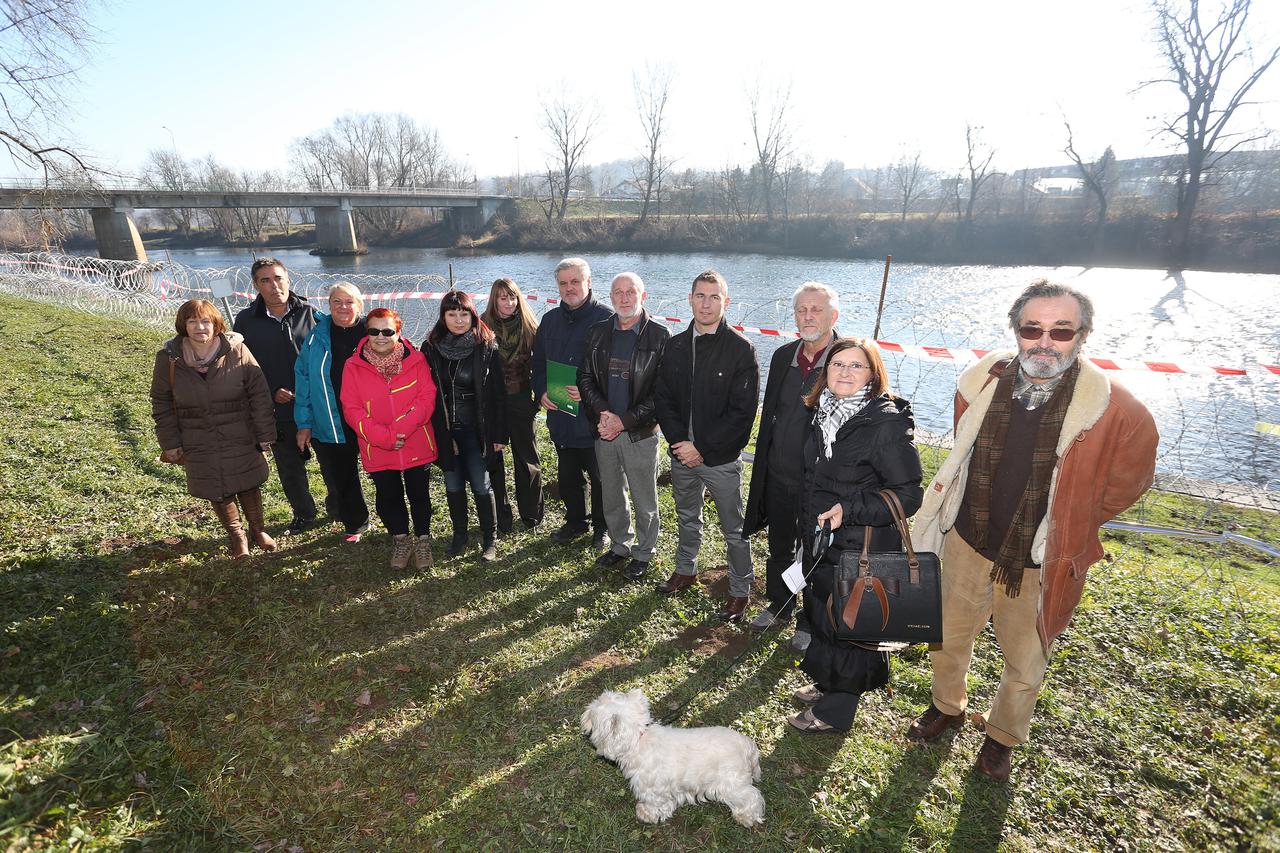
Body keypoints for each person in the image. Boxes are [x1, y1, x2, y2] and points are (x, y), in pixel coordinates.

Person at [907, 279, 1158, 782]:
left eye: (1061, 331)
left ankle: (1001, 739)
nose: (1045, 341)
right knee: (948, 637)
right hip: (968, 540)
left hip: (1040, 560)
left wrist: (1071, 523)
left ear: (1083, 334)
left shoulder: (1118, 410)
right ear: (1016, 331)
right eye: (1032, 328)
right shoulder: (979, 383)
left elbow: (1129, 482)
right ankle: (947, 706)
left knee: (1026, 659)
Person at [786, 337, 924, 734]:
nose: (845, 373)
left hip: (861, 544)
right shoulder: (824, 413)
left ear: (873, 373)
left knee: (850, 625)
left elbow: (908, 493)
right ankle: (826, 684)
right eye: (837, 364)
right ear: (824, 371)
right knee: (822, 613)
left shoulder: (884, 423)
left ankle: (836, 711)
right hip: (822, 539)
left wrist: (851, 509)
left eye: (856, 366)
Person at [653, 270, 759, 622]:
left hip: (721, 460)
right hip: (682, 455)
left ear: (725, 302)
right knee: (687, 516)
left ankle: (740, 589)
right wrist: (680, 443)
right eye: (701, 296)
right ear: (690, 299)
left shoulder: (741, 351)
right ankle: (686, 570)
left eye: (715, 297)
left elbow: (742, 415)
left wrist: (703, 449)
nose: (707, 303)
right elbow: (663, 398)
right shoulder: (675, 346)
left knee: (734, 528)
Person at [743, 282, 841, 650]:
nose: (808, 316)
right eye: (802, 310)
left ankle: (810, 620)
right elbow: (772, 414)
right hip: (779, 472)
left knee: (816, 551)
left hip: (821, 481)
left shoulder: (847, 358)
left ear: (834, 316)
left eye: (816, 310)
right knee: (781, 544)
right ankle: (781, 604)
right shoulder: (784, 355)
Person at [150, 299, 277, 559]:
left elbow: (259, 394)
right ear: (183, 325)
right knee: (216, 487)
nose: (200, 327)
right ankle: (237, 537)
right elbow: (161, 401)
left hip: (240, 432)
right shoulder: (169, 359)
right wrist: (170, 442)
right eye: (192, 321)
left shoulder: (237, 350)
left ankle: (258, 530)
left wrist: (265, 434)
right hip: (196, 436)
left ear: (216, 324)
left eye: (206, 321)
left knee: (248, 481)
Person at [578, 272, 671, 581]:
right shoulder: (597, 332)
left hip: (639, 433)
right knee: (612, 494)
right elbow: (585, 377)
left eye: (631, 291)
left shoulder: (660, 336)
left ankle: (645, 552)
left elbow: (663, 393)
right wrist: (604, 413)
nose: (624, 297)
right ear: (611, 296)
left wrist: (624, 420)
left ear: (642, 296)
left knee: (645, 498)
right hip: (604, 430)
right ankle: (621, 545)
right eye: (618, 292)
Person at [340, 308, 441, 571]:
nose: (381, 337)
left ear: (399, 332)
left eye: (388, 331)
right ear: (367, 334)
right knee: (388, 495)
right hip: (377, 446)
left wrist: (401, 430)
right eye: (374, 331)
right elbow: (351, 407)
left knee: (419, 494)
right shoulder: (353, 366)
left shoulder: (417, 360)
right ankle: (400, 539)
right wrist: (383, 437)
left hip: (415, 441)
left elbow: (426, 398)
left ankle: (422, 539)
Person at [233, 257, 320, 536]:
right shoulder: (246, 320)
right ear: (256, 285)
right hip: (278, 408)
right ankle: (304, 513)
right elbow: (243, 366)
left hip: (315, 405)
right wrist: (271, 391)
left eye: (278, 278)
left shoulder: (310, 313)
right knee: (290, 466)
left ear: (288, 279)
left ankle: (339, 507)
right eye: (265, 280)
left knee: (332, 462)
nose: (274, 286)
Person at [531, 257, 614, 551]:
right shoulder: (550, 320)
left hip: (592, 418)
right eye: (563, 283)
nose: (569, 288)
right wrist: (540, 390)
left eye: (575, 282)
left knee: (600, 475)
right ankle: (576, 520)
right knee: (568, 474)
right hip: (561, 415)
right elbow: (538, 363)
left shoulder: (607, 319)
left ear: (588, 282)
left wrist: (590, 392)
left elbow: (616, 371)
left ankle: (602, 527)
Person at [423, 289, 506, 562]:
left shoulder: (486, 347)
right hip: (446, 430)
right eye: (451, 314)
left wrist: (498, 435)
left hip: (477, 430)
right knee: (453, 484)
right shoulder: (431, 348)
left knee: (482, 485)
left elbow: (497, 395)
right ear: (443, 317)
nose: (458, 320)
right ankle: (460, 535)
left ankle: (489, 539)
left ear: (473, 315)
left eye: (464, 314)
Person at [294, 282, 371, 543]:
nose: (343, 307)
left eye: (349, 301)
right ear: (329, 306)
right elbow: (303, 378)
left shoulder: (372, 331)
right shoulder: (317, 336)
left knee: (384, 472)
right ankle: (356, 522)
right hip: (332, 416)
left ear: (359, 305)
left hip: (371, 416)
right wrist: (304, 422)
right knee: (343, 473)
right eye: (336, 301)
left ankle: (398, 524)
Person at [480, 277, 544, 531]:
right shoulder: (482, 327)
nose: (508, 302)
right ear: (494, 300)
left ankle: (531, 514)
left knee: (527, 459)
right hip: (492, 403)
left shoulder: (530, 327)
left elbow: (541, 366)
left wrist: (539, 394)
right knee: (494, 460)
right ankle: (501, 516)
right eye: (503, 297)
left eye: (513, 297)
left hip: (520, 399)